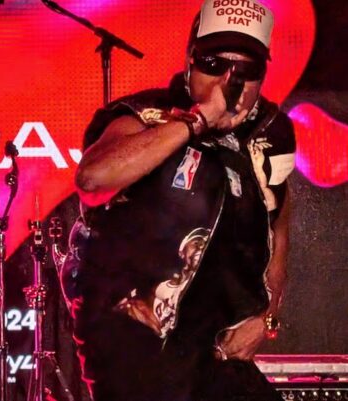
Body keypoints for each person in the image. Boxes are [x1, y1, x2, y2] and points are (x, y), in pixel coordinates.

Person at [63, 0, 294, 400]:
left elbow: (280, 224)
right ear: (190, 61)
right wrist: (198, 121)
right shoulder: (147, 115)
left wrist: (267, 316)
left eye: (246, 70)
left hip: (214, 349)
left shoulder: (269, 134)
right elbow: (93, 178)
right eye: (214, 64)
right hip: (136, 337)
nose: (229, 81)